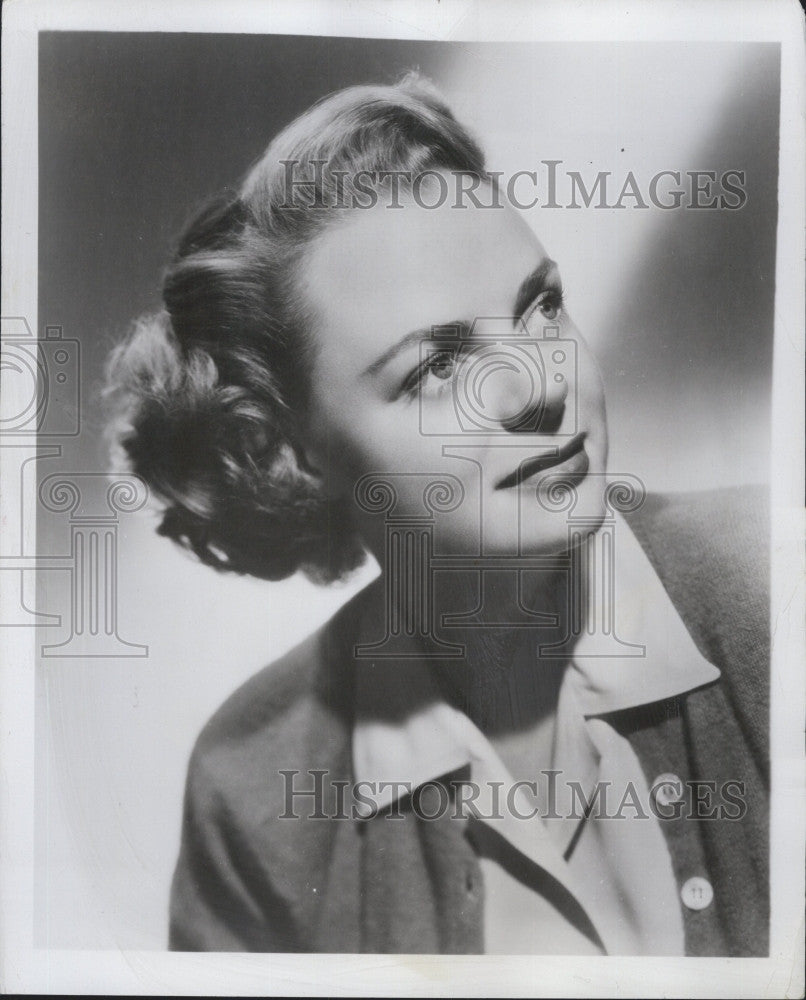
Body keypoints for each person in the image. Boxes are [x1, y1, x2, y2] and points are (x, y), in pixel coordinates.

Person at [105, 74, 769, 955]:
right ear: (294, 454)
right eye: (437, 369)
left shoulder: (773, 590)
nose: (540, 384)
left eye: (540, 307)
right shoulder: (255, 789)